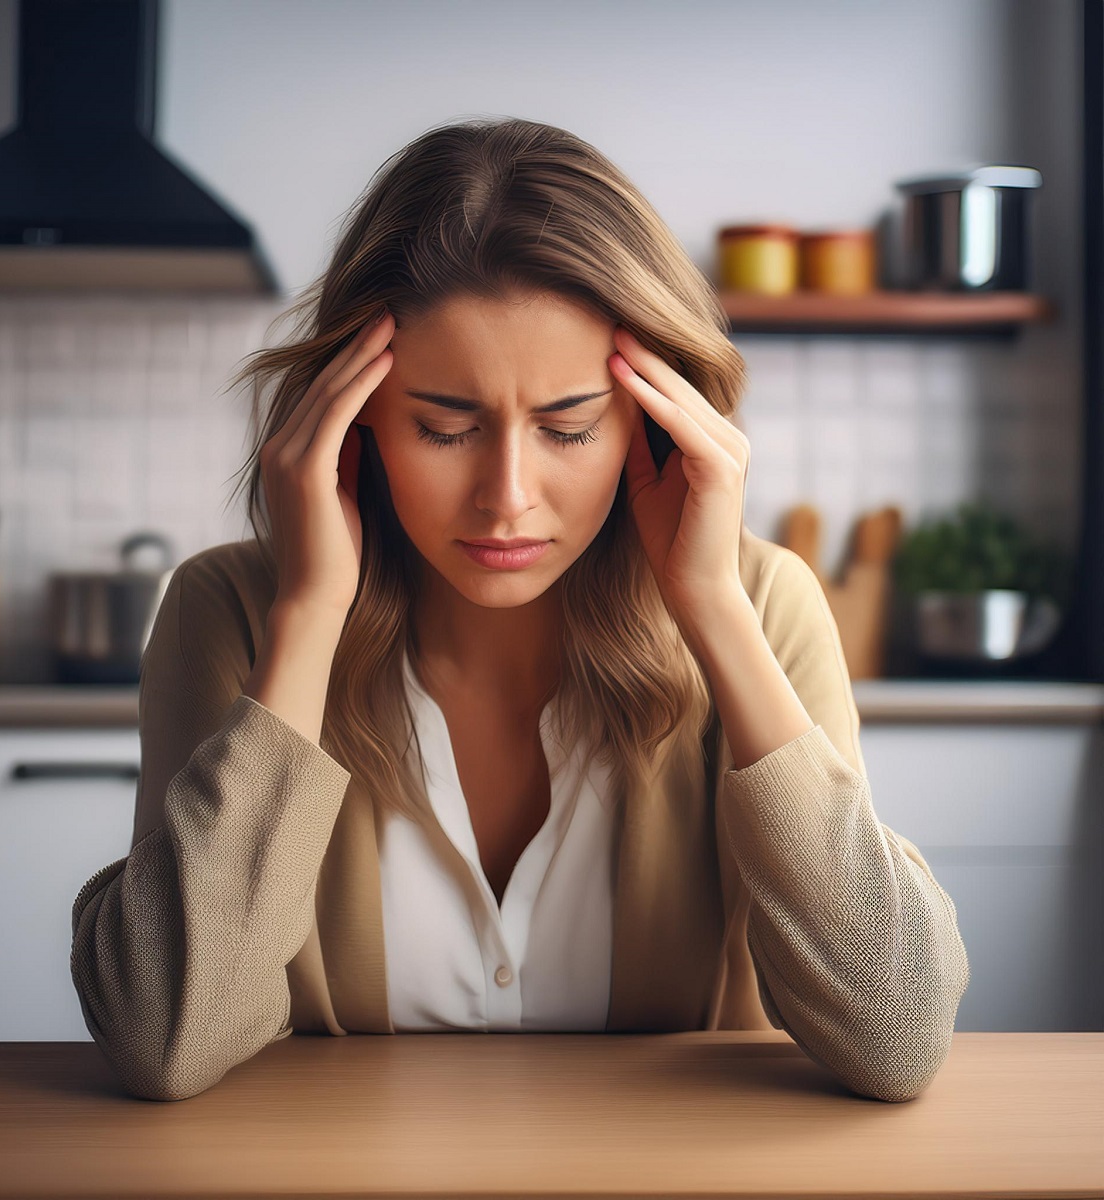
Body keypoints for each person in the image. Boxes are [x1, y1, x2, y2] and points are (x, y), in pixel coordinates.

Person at [69, 116, 970, 1104]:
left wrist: (711, 605)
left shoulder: (761, 603)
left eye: (568, 427)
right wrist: (311, 614)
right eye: (443, 427)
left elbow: (897, 1032)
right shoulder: (235, 611)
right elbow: (164, 1038)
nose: (506, 496)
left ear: (656, 419)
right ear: (350, 414)